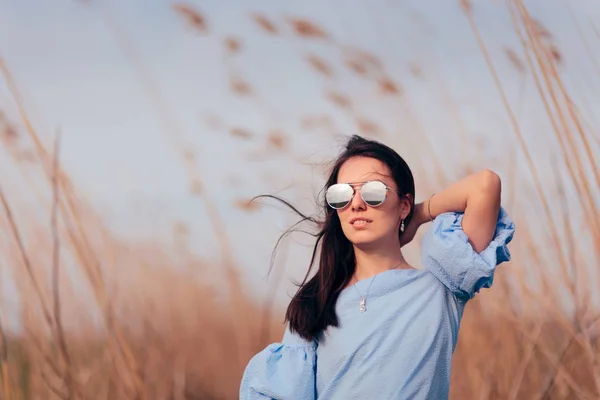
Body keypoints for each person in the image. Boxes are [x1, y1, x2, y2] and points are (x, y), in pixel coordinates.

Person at [239, 135, 515, 399]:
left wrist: (418, 215)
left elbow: (485, 185)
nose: (356, 204)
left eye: (373, 192)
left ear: (403, 204)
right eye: (341, 195)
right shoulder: (316, 304)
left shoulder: (444, 286)